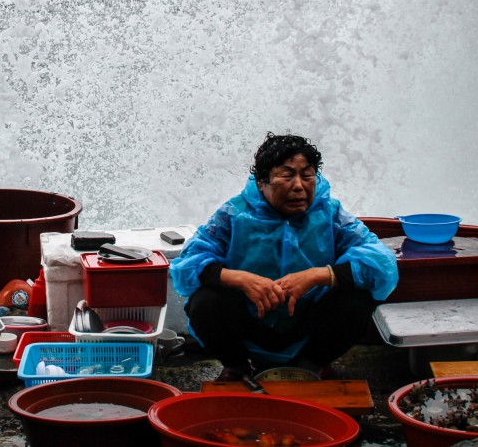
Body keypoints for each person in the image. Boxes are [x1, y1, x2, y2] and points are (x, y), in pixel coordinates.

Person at [169, 132, 399, 383]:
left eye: (307, 175)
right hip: (251, 322)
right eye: (287, 175)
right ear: (261, 182)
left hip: (308, 325)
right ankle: (237, 368)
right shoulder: (235, 213)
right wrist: (241, 279)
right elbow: (187, 264)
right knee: (204, 302)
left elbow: (382, 265)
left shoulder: (330, 213)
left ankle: (310, 367)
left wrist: (319, 276)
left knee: (356, 300)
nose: (299, 186)